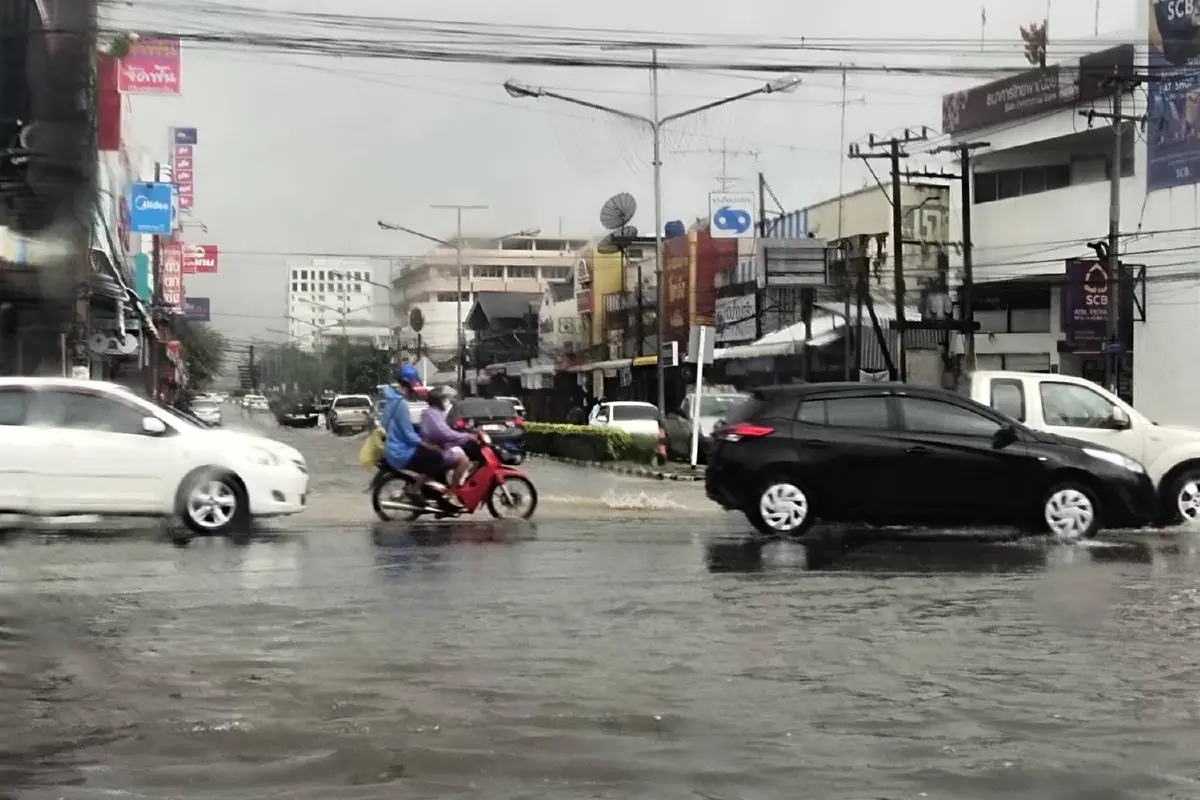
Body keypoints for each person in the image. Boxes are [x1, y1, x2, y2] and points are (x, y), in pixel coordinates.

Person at [381, 365, 443, 504]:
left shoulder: (391, 400)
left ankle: (421, 487)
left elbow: (390, 425)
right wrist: (425, 443)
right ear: (408, 384)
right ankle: (415, 489)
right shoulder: (400, 404)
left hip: (393, 448)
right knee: (436, 457)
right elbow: (408, 434)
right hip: (401, 451)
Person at [419, 387, 476, 503]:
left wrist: (464, 436)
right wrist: (466, 436)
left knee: (459, 451)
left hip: (436, 447)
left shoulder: (433, 413)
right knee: (464, 461)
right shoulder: (433, 414)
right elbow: (445, 434)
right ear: (438, 401)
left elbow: (446, 434)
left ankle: (449, 483)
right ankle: (451, 492)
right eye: (444, 399)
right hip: (435, 450)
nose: (447, 402)